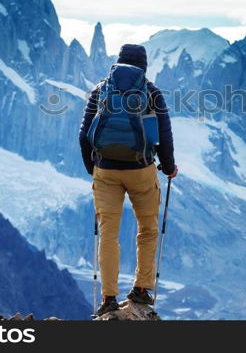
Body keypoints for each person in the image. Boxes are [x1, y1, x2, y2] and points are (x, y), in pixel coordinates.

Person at [79, 44, 178, 317]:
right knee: (147, 228)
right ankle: (142, 289)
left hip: (105, 171)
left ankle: (109, 297)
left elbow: (84, 134)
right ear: (144, 67)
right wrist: (168, 168)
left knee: (108, 233)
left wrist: (94, 168)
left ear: (118, 63)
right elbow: (164, 138)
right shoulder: (151, 92)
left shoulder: (101, 90)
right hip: (140, 170)